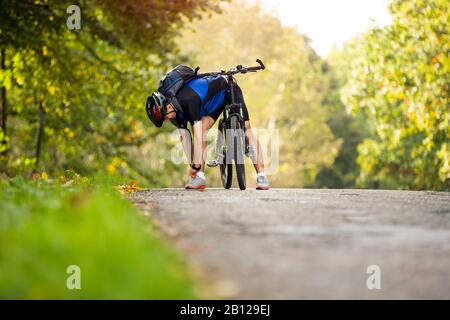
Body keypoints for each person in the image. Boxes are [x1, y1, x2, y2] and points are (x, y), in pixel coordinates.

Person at [147, 74, 270, 190]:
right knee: (200, 132)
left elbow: (199, 138)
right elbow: (185, 139)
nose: (167, 120)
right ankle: (200, 177)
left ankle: (262, 176)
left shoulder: (187, 99)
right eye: (164, 119)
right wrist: (193, 166)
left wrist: (195, 164)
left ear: (168, 106)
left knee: (246, 129)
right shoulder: (173, 113)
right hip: (212, 104)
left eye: (165, 117)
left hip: (227, 88)